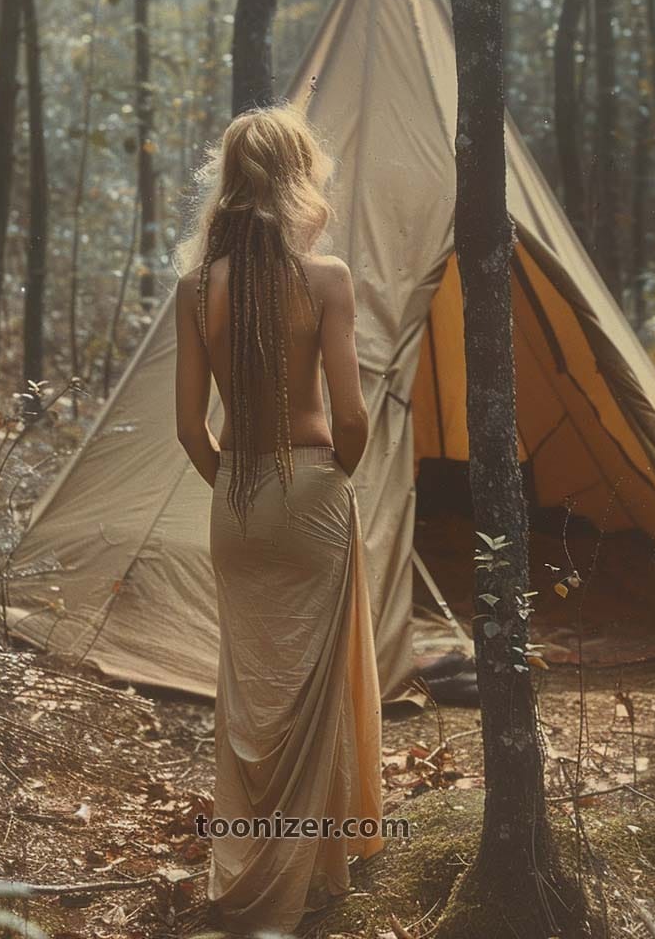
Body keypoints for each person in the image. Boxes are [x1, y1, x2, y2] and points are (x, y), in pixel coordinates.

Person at [173, 103, 384, 934]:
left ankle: (248, 870)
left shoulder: (197, 288)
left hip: (236, 499)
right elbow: (353, 416)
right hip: (313, 490)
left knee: (252, 695)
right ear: (298, 179)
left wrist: (238, 485)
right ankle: (313, 877)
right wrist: (330, 479)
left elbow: (190, 429)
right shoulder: (326, 279)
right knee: (312, 695)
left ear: (229, 180)